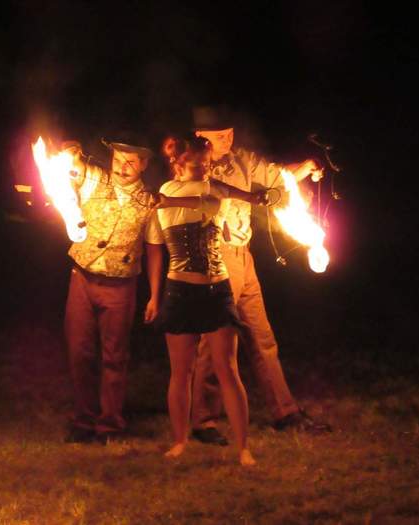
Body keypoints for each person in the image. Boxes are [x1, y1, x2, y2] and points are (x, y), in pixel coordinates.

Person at [189, 106, 332, 445]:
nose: (227, 139)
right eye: (219, 135)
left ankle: (285, 412)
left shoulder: (243, 160)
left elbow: (275, 176)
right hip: (216, 256)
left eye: (229, 133)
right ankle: (203, 420)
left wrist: (304, 167)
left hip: (243, 255)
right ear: (200, 137)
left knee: (262, 337)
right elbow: (208, 190)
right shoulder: (191, 165)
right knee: (215, 341)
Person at [154, 135, 268, 466]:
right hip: (180, 290)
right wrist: (164, 201)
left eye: (207, 163)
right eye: (196, 164)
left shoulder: (210, 191)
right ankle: (179, 441)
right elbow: (195, 198)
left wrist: (253, 196)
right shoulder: (167, 190)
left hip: (217, 290)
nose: (205, 169)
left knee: (228, 368)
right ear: (177, 165)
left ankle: (243, 448)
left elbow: (211, 200)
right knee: (181, 372)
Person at [62, 134, 165, 444]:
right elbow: (71, 165)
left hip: (120, 286)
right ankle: (83, 420)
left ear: (143, 165)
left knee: (114, 357)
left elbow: (154, 249)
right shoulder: (94, 180)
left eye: (130, 162)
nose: (122, 167)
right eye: (118, 160)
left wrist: (155, 295)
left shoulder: (150, 201)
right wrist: (70, 150)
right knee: (79, 352)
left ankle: (110, 424)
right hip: (82, 278)